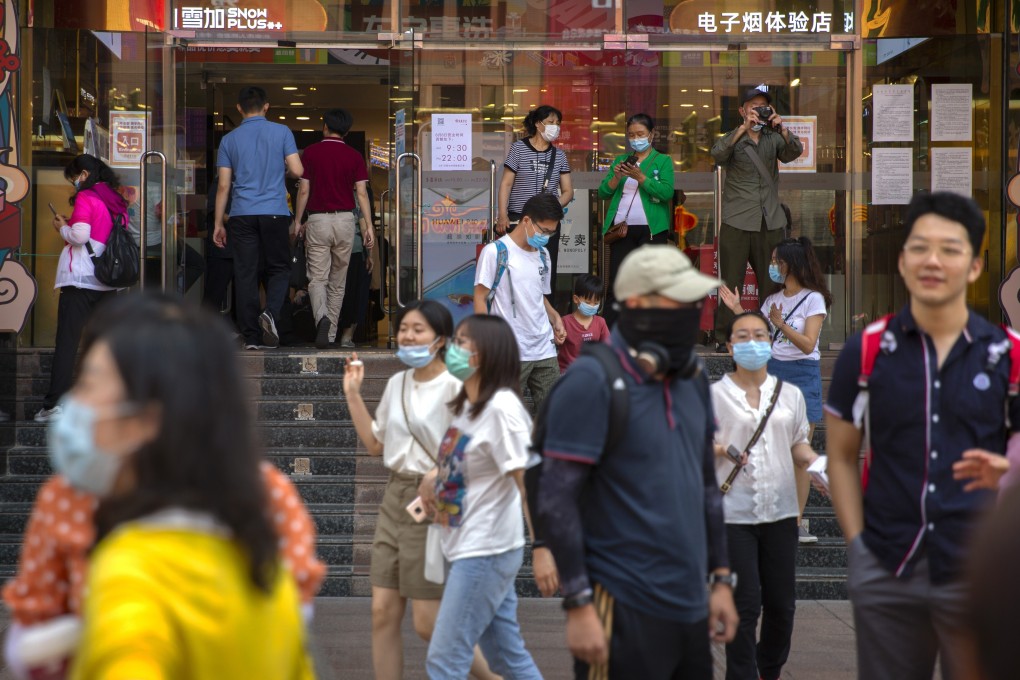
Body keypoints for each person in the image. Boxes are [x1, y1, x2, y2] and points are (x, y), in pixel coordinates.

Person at [38, 293, 314, 677]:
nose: (75, 403)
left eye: (89, 383)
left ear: (148, 417)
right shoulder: (269, 577)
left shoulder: (130, 568)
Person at [826, 192, 1017, 680]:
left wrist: (1009, 473)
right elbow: (842, 456)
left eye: (950, 249)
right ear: (902, 260)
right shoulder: (867, 350)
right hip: (888, 563)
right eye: (920, 247)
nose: (933, 260)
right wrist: (858, 546)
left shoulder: (1008, 354)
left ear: (974, 266)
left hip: (981, 569)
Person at [536, 245, 737, 679]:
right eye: (680, 300)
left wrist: (721, 577)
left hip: (690, 603)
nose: (693, 310)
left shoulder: (692, 378)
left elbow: (706, 484)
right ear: (639, 304)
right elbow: (555, 498)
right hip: (620, 604)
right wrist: (579, 602)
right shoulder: (592, 381)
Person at [342, 300, 498, 680]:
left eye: (418, 330)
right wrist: (353, 394)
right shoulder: (396, 383)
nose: (407, 336)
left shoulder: (456, 386)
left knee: (427, 621)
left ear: (440, 339)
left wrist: (437, 471)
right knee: (382, 612)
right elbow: (375, 445)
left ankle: (491, 677)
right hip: (395, 498)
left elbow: (477, 449)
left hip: (434, 502)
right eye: (403, 329)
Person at [418, 314, 547, 679]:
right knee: (506, 658)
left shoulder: (502, 409)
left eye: (461, 342)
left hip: (485, 551)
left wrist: (542, 546)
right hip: (465, 546)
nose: (452, 349)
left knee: (445, 659)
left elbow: (528, 481)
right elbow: (469, 462)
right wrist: (433, 477)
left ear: (486, 354)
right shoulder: (467, 408)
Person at [711, 311, 820, 680]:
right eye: (742, 336)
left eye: (760, 335)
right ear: (730, 347)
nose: (752, 342)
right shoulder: (714, 396)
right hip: (734, 515)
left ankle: (767, 670)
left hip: (781, 513)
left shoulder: (790, 395)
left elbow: (799, 444)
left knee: (782, 606)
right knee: (744, 605)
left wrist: (815, 464)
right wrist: (719, 449)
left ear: (771, 344)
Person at [719, 236, 831, 543]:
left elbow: (808, 344)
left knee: (798, 455)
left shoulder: (813, 299)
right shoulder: (772, 300)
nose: (772, 266)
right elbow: (758, 334)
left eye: (776, 261)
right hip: (773, 374)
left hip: (803, 374)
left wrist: (781, 324)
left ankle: (796, 523)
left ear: (790, 264)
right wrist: (737, 308)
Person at [35, 154, 130, 423]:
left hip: (80, 281)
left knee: (67, 343)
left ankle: (55, 405)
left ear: (85, 175)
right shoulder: (116, 200)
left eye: (74, 177)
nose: (74, 182)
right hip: (107, 281)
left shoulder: (87, 197)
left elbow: (79, 236)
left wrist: (62, 228)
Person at [711, 86, 803, 349]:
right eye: (754, 107)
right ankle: (724, 338)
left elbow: (794, 152)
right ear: (742, 110)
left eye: (763, 107)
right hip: (737, 220)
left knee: (772, 281)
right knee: (731, 281)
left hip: (770, 220)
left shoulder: (774, 137)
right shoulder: (734, 137)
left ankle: (772, 333)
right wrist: (743, 128)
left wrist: (782, 128)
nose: (758, 111)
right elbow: (717, 154)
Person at [213, 85, 303, 350]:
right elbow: (298, 170)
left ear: (239, 108)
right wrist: (282, 169)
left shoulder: (229, 140)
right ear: (266, 106)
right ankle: (271, 313)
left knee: (245, 273)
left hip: (241, 214)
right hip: (274, 211)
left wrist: (218, 223)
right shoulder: (282, 132)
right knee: (279, 268)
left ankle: (251, 336)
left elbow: (223, 186)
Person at [475, 193, 567, 412]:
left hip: (545, 348)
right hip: (510, 350)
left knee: (553, 413)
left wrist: (555, 317)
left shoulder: (544, 255)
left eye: (551, 233)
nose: (547, 237)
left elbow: (539, 295)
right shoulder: (495, 252)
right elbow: (480, 298)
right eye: (544, 231)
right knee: (505, 415)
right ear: (526, 220)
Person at [293, 107, 375, 349]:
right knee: (338, 281)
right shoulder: (354, 156)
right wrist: (369, 226)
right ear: (347, 131)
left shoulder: (311, 153)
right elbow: (362, 193)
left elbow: (304, 190)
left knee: (317, 278)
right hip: (346, 221)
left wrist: (297, 220)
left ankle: (322, 320)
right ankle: (329, 336)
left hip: (318, 220)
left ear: (325, 127)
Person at [598, 113, 676, 327]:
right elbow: (603, 193)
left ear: (651, 134)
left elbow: (666, 193)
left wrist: (641, 177)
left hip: (652, 231)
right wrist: (617, 177)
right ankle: (610, 332)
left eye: (640, 134)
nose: (636, 139)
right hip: (622, 230)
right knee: (618, 283)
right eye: (631, 135)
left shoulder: (663, 160)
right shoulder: (620, 161)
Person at [497, 105, 573, 291]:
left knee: (545, 270)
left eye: (558, 123)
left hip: (548, 222)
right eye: (551, 122)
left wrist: (550, 207)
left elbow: (568, 191)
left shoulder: (559, 156)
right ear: (538, 124)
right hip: (519, 218)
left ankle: (546, 307)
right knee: (516, 268)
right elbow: (506, 184)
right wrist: (502, 215)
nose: (555, 127)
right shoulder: (518, 148)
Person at [336, 191, 375, 348]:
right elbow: (364, 225)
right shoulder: (358, 195)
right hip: (354, 249)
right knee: (355, 294)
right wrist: (370, 255)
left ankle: (330, 333)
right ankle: (347, 336)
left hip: (332, 250)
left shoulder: (332, 191)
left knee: (337, 292)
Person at [557, 273, 610, 373]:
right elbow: (555, 341)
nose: (592, 306)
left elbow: (607, 347)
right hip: (568, 373)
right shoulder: (564, 322)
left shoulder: (600, 322)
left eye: (596, 303)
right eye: (588, 302)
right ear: (576, 299)